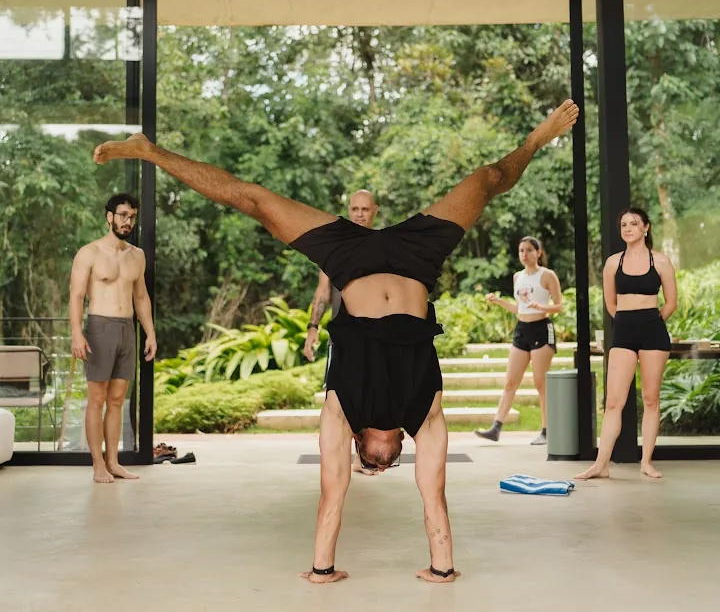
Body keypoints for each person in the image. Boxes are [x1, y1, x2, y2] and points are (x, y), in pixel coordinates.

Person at [93, 99, 579, 580]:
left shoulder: (373, 412)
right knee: (486, 181)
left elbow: (360, 496)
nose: (377, 459)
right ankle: (537, 137)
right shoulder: (398, 414)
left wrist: (365, 569)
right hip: (414, 258)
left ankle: (149, 150)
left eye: (373, 462)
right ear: (362, 445)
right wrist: (354, 570)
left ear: (365, 445)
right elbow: (383, 495)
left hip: (358, 260)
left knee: (255, 200)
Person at [576, 207, 677, 481]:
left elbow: (671, 303)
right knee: (613, 402)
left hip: (653, 332)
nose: (628, 228)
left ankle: (646, 462)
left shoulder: (662, 261)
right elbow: (610, 303)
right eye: (623, 225)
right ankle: (601, 464)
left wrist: (652, 321)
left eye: (634, 223)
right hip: (623, 332)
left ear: (646, 227)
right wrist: (626, 321)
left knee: (651, 399)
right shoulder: (612, 263)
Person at [69, 193, 157, 483]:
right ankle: (97, 466)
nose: (127, 221)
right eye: (122, 215)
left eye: (131, 216)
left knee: (118, 399)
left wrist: (150, 333)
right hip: (99, 327)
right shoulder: (89, 253)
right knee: (97, 399)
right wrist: (77, 334)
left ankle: (113, 462)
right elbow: (77, 296)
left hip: (126, 330)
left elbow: (141, 296)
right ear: (109, 216)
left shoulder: (137, 256)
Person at [303, 189, 380, 476]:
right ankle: (338, 459)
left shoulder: (383, 247)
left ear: (375, 211)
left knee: (370, 398)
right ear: (349, 210)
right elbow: (323, 292)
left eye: (365, 209)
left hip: (374, 337)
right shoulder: (334, 248)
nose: (360, 213)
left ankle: (363, 456)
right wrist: (312, 328)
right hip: (342, 337)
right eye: (355, 209)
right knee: (335, 400)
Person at [475, 236, 564, 446]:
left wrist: (543, 307)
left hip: (541, 329)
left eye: (529, 250)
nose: (525, 254)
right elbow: (519, 308)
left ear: (538, 253)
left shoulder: (547, 275)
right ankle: (496, 427)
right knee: (510, 382)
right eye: (521, 250)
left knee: (540, 384)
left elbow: (559, 306)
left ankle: (546, 430)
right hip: (522, 329)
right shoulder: (518, 277)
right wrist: (498, 302)